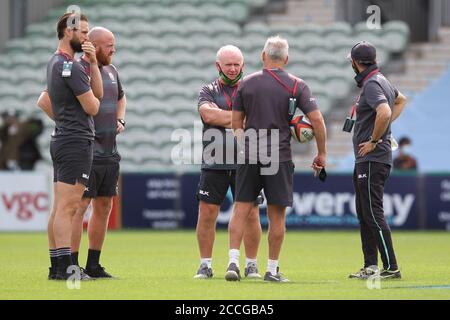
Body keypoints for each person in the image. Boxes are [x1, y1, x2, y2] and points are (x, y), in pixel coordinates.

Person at [226, 36, 327, 282]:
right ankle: (271, 270)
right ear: (287, 59)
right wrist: (321, 153)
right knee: (276, 216)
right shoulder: (297, 85)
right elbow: (317, 121)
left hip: (250, 154)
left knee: (240, 208)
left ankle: (232, 263)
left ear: (263, 56)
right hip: (279, 156)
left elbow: (235, 122)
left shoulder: (246, 84)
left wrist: (245, 146)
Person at [39, 27, 125, 278]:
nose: (114, 49)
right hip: (85, 147)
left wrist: (121, 119)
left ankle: (94, 265)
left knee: (104, 206)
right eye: (109, 45)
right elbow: (44, 99)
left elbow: (121, 97)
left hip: (109, 150)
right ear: (95, 45)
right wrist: (68, 124)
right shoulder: (75, 68)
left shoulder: (111, 70)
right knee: (77, 207)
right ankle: (70, 265)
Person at [37, 12, 101, 280]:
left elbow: (43, 100)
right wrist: (75, 121)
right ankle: (65, 268)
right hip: (75, 141)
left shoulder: (56, 62)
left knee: (60, 207)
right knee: (69, 207)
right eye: (83, 32)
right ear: (67, 32)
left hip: (63, 139)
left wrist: (93, 62)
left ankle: (56, 267)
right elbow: (94, 105)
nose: (88, 38)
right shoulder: (72, 67)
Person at [195, 45, 263, 279]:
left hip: (248, 161)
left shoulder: (253, 89)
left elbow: (258, 119)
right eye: (228, 65)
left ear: (243, 65)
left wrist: (223, 116)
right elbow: (208, 115)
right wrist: (242, 118)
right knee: (207, 212)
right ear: (218, 66)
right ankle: (205, 264)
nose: (233, 69)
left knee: (252, 213)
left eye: (237, 64)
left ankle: (251, 264)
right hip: (214, 161)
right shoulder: (208, 90)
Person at [346, 41, 407, 280]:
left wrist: (374, 138)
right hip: (370, 160)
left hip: (372, 158)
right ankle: (370, 266)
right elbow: (400, 100)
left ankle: (391, 267)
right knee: (365, 212)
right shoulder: (382, 79)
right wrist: (384, 128)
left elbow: (384, 111)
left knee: (372, 212)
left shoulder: (372, 83)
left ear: (354, 62)